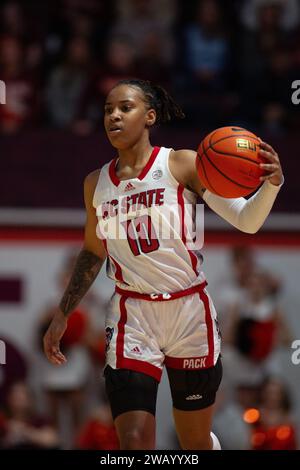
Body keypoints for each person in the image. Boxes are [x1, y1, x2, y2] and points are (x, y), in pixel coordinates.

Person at [43, 78, 284, 450]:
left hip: (189, 311)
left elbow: (247, 222)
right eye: (108, 110)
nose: (114, 116)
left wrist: (270, 185)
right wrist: (62, 314)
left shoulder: (181, 164)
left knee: (194, 443)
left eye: (125, 108)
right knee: (134, 440)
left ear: (150, 116)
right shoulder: (95, 184)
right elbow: (93, 252)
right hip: (132, 314)